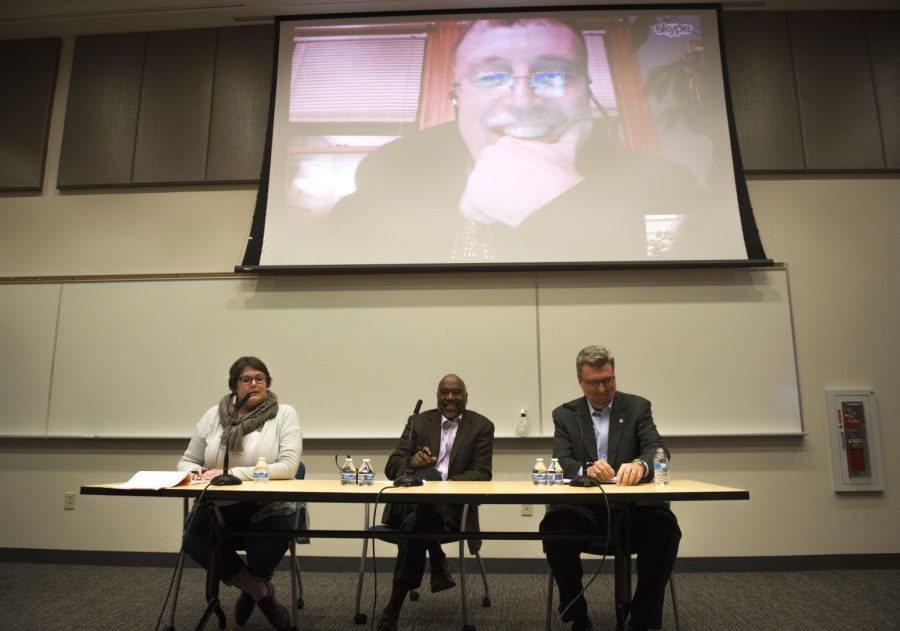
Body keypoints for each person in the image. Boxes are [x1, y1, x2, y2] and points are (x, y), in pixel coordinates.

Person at [312, 16, 727, 264]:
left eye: (555, 75)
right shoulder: (389, 183)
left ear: (586, 92)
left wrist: (565, 201)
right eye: (491, 76)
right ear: (457, 96)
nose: (523, 98)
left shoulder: (665, 185)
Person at [540, 345, 681, 631]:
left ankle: (643, 619)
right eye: (594, 382)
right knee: (554, 527)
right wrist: (585, 470)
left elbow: (657, 448)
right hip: (587, 512)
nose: (602, 389)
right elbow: (562, 460)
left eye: (608, 380)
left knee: (666, 529)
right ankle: (576, 614)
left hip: (634, 511)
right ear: (581, 381)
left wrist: (641, 465)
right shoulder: (565, 414)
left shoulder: (638, 406)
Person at [177, 356, 302, 631]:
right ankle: (260, 593)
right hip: (218, 507)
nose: (254, 384)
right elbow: (187, 461)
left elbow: (289, 467)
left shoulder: (284, 414)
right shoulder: (215, 415)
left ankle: (250, 588)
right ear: (234, 385)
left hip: (266, 506)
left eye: (260, 378)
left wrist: (234, 475)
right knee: (193, 538)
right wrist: (195, 472)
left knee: (267, 548)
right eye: (246, 379)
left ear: (267, 383)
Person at [376, 374, 494, 631]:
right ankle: (437, 557)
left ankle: (393, 607)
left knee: (417, 520)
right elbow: (392, 466)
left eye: (456, 392)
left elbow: (482, 473)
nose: (450, 398)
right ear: (437, 396)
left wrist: (445, 484)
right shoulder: (418, 422)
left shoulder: (482, 426)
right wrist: (411, 462)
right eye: (444, 392)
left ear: (466, 397)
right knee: (423, 489)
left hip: (452, 510)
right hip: (408, 505)